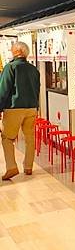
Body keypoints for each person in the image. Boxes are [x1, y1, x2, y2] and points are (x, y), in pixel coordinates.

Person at [0, 42, 40, 180]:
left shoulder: (10, 67)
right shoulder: (34, 69)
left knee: (7, 138)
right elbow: (37, 89)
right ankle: (28, 167)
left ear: (16, 51)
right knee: (30, 138)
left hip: (14, 108)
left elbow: (3, 90)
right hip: (32, 108)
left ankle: (11, 167)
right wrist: (37, 107)